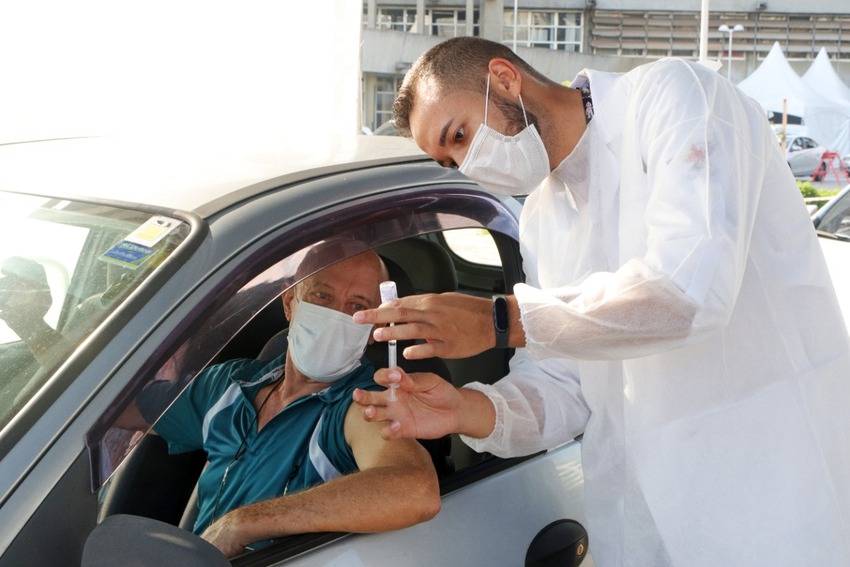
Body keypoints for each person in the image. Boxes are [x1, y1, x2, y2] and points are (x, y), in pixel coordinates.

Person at [351, 37, 850, 566]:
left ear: (504, 78)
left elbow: (690, 291)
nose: (470, 164)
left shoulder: (674, 96)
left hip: (771, 496)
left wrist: (502, 319)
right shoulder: (543, 217)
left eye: (460, 135)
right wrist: (466, 410)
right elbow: (565, 384)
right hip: (644, 522)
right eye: (451, 162)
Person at [134, 251, 440, 558]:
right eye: (322, 295)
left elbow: (417, 490)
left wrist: (242, 524)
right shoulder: (233, 383)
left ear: (376, 327)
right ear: (289, 301)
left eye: (357, 306)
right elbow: (117, 410)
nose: (337, 316)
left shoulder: (363, 405)